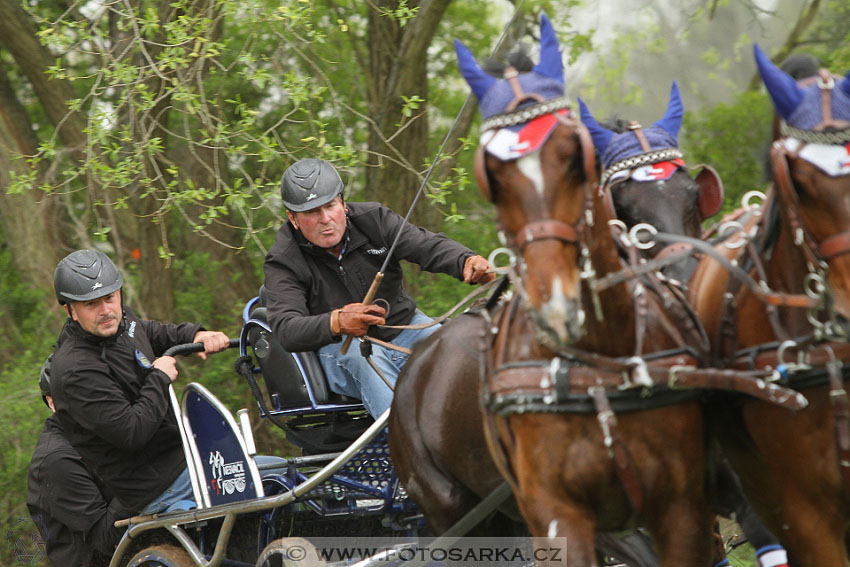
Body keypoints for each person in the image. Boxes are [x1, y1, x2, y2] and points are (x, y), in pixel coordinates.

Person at [263, 158, 496, 418]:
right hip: (339, 349)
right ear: (292, 218)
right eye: (311, 213)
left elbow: (425, 245)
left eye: (330, 206)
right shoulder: (283, 259)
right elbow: (286, 329)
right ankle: (405, 441)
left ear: (342, 202)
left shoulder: (374, 219)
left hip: (404, 328)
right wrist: (336, 322)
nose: (325, 219)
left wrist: (464, 260)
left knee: (452, 348)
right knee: (361, 360)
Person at [48, 249, 231, 516]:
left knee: (286, 477)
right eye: (91, 304)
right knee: (268, 483)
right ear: (70, 310)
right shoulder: (76, 371)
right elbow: (131, 432)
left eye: (110, 297)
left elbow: (148, 332)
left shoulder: (120, 321)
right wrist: (159, 378)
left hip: (185, 458)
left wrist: (195, 335)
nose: (105, 310)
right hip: (156, 486)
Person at [27, 355, 135, 567]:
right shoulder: (56, 461)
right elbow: (105, 540)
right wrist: (141, 478)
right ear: (52, 403)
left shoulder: (107, 434)